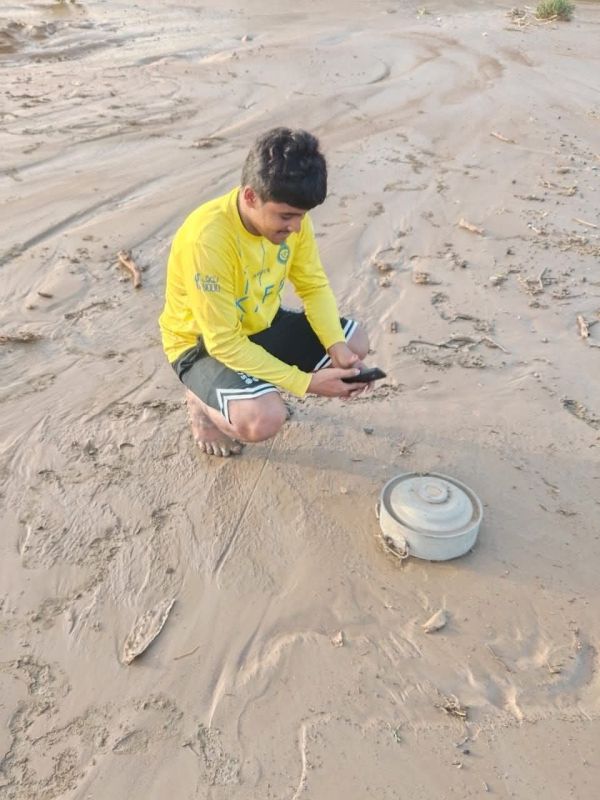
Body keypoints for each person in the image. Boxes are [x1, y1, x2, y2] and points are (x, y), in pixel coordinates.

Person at [159, 127, 372, 457]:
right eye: (286, 216)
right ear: (249, 197)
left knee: (355, 341)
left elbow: (313, 286)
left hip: (261, 323)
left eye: (301, 217)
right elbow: (223, 341)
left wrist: (337, 347)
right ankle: (201, 402)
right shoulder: (208, 239)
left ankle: (252, 383)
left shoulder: (293, 221)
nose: (296, 228)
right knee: (264, 419)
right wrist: (305, 383)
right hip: (201, 344)